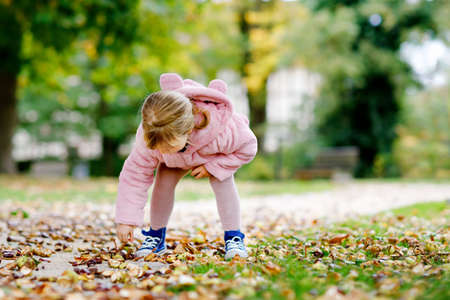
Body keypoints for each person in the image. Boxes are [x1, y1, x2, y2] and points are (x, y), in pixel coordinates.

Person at [115, 73, 257, 260]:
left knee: (223, 181)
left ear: (188, 130)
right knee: (163, 179)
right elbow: (135, 176)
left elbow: (248, 148)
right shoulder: (151, 135)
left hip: (210, 156)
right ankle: (156, 236)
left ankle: (234, 237)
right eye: (158, 147)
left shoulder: (221, 130)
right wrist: (126, 220)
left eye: (168, 146)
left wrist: (214, 167)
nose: (162, 149)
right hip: (174, 163)